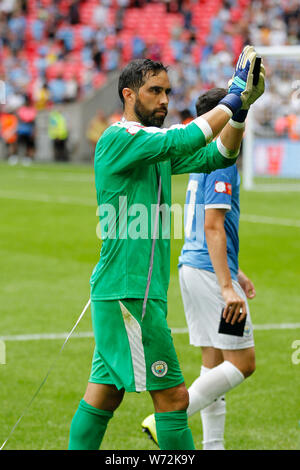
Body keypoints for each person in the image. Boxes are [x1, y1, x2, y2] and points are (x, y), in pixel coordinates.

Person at [68, 48, 264, 451]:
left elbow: (218, 155)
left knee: (104, 395)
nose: (163, 100)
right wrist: (234, 94)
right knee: (174, 400)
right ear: (127, 95)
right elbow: (188, 135)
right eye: (154, 91)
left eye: (167, 92)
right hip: (128, 293)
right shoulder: (120, 137)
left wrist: (240, 112)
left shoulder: (151, 147)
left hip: (133, 292)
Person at [141, 87, 263, 450]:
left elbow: (204, 227)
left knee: (212, 363)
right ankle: (167, 419)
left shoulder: (201, 159)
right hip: (210, 276)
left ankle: (213, 446)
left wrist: (234, 270)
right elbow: (212, 225)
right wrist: (228, 285)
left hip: (194, 269)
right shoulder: (222, 160)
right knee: (243, 362)